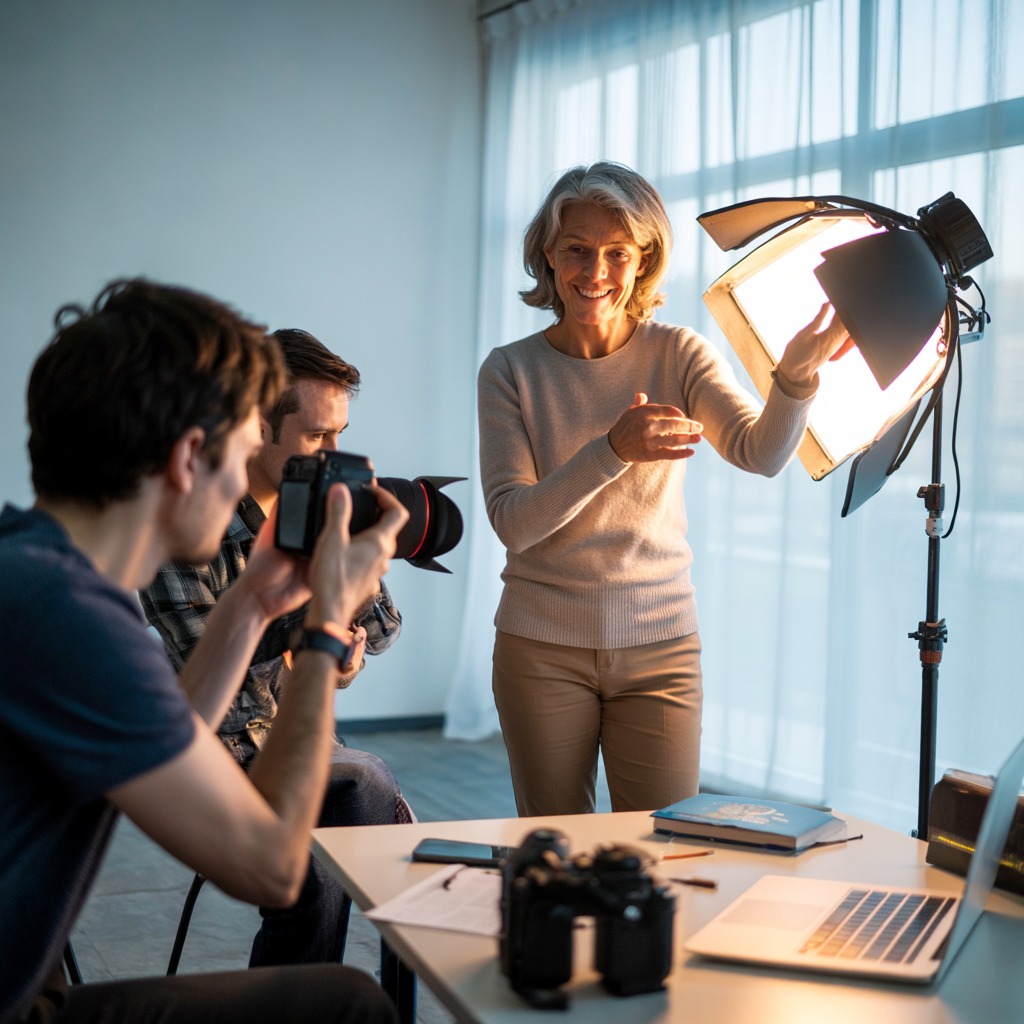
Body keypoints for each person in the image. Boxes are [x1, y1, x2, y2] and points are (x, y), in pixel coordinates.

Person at [0, 279, 407, 1024]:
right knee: (348, 1005)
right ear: (192, 456)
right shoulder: (64, 617)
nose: (247, 483)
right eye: (244, 450)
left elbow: (169, 722)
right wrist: (321, 631)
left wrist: (253, 602)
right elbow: (273, 868)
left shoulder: (33, 572)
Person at [478, 162, 851, 817]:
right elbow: (515, 522)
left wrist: (794, 378)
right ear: (547, 252)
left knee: (666, 849)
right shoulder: (510, 370)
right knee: (557, 851)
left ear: (643, 260)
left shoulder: (679, 353)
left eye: (617, 253)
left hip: (661, 646)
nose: (596, 271)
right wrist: (613, 450)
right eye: (577, 250)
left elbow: (759, 453)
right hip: (541, 648)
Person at [140, 328, 409, 968]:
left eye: (341, 433)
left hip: (297, 739)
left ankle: (329, 988)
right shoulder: (191, 526)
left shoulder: (312, 513)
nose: (333, 452)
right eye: (318, 436)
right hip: (220, 752)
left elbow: (387, 631)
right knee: (362, 801)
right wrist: (313, 640)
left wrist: (348, 580)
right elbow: (217, 672)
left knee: (356, 838)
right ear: (260, 428)